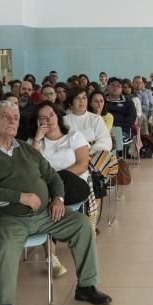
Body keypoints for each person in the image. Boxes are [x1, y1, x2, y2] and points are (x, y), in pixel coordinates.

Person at [0, 100, 112, 305]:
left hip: (44, 213)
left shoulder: (26, 150)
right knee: (5, 246)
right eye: (7, 117)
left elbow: (52, 177)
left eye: (15, 117)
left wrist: (58, 198)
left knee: (82, 224)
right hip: (5, 217)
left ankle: (86, 286)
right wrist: (19, 196)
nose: (13, 120)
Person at [31, 101, 96, 262]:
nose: (49, 120)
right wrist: (38, 139)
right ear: (38, 122)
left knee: (58, 179)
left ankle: (53, 196)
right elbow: (30, 169)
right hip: (47, 192)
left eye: (51, 115)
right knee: (44, 203)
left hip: (74, 185)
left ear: (58, 115)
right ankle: (51, 257)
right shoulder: (34, 143)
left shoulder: (74, 136)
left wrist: (54, 179)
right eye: (43, 118)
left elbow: (82, 164)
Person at [64, 86, 113, 153]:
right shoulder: (64, 121)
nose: (81, 101)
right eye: (77, 98)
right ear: (70, 102)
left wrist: (90, 152)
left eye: (84, 98)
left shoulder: (96, 119)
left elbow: (105, 140)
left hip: (94, 155)